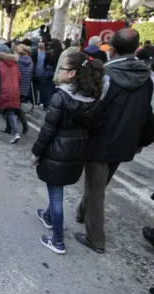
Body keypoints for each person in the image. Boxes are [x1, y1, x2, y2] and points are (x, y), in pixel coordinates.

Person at [75, 28, 154, 254]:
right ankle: (82, 213)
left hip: (101, 141)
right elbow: (148, 114)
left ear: (112, 49)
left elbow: (93, 110)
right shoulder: (146, 77)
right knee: (98, 184)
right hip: (125, 142)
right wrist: (142, 141)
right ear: (136, 48)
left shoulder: (105, 75)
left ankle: (96, 240)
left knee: (97, 189)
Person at [32, 52, 105, 254]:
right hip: (77, 151)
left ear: (72, 73)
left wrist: (36, 154)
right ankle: (47, 216)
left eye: (61, 69)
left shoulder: (60, 97)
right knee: (57, 187)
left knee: (56, 196)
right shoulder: (92, 97)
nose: (58, 72)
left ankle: (57, 241)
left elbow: (47, 131)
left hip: (57, 151)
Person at [0, 44, 22, 144]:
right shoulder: (15, 62)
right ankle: (16, 133)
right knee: (10, 111)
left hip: (1, 90)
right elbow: (19, 77)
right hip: (14, 90)